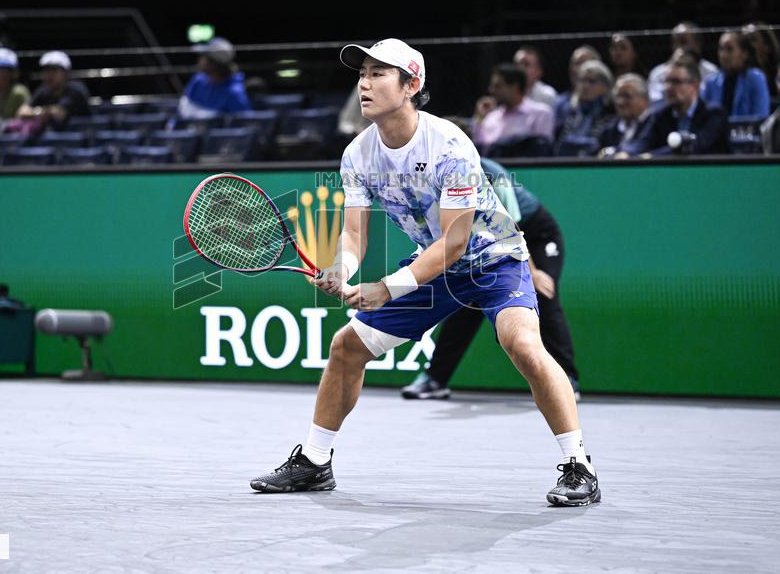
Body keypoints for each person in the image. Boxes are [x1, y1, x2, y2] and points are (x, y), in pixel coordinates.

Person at [249, 38, 600, 507]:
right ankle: (315, 462)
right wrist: (342, 268)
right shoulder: (357, 154)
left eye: (378, 74)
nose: (364, 83)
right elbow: (355, 235)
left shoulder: (451, 146)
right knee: (346, 348)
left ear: (411, 84)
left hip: (494, 259)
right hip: (434, 269)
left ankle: (580, 466)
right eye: (362, 74)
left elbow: (455, 242)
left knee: (522, 345)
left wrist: (387, 288)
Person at [401, 155, 581, 400]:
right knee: (466, 301)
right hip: (485, 242)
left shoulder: (492, 173)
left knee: (542, 294)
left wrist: (533, 273)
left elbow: (511, 229)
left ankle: (568, 379)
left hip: (535, 236)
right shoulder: (437, 177)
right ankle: (435, 380)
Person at [629, 60, 728, 155]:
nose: (669, 87)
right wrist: (627, 153)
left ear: (695, 86)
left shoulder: (714, 114)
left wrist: (650, 156)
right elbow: (642, 143)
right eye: (666, 81)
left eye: (676, 82)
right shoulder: (660, 115)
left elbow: (694, 147)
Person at [470, 63, 554, 156]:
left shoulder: (541, 114)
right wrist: (479, 118)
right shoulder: (490, 118)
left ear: (514, 87)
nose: (492, 90)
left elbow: (542, 152)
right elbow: (480, 152)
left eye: (498, 86)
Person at [176, 37, 252, 118]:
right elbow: (184, 109)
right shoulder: (198, 80)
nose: (200, 60)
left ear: (214, 63)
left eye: (204, 57)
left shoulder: (234, 92)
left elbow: (244, 124)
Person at [16, 51, 91, 132]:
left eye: (54, 70)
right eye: (46, 70)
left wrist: (37, 113)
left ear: (67, 73)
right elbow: (21, 112)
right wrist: (40, 112)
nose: (49, 75)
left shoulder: (77, 90)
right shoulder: (43, 90)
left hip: (81, 139)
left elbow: (58, 113)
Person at [553, 60, 616, 154]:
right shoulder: (569, 111)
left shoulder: (612, 113)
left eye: (592, 81)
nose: (585, 86)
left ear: (605, 86)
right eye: (582, 80)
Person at [703, 31, 771, 119]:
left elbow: (761, 117)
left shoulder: (756, 79)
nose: (724, 55)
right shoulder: (710, 82)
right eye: (721, 49)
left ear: (744, 54)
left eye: (729, 49)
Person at [648, 22, 720, 104]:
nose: (678, 48)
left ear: (698, 45)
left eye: (683, 42)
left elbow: (714, 102)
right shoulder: (658, 73)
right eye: (674, 42)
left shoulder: (712, 73)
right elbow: (655, 103)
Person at [597, 73, 653, 157]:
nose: (620, 102)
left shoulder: (655, 126)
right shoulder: (608, 131)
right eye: (617, 96)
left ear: (645, 99)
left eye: (627, 96)